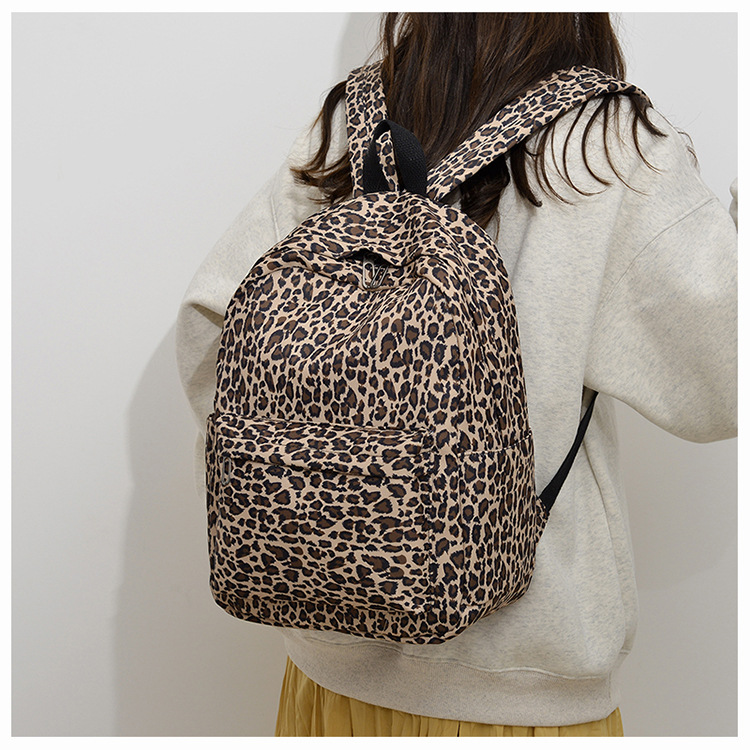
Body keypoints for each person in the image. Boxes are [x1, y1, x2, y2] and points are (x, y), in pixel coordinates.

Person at [175, 13, 737, 737]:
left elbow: (213, 327)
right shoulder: (606, 146)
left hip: (326, 677)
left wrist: (329, 490)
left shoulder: (353, 121)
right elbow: (726, 381)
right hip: (512, 702)